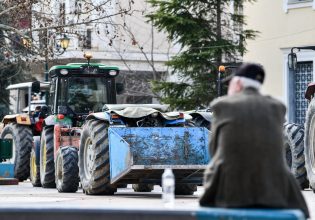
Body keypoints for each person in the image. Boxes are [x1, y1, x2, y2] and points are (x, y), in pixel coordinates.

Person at [199, 63, 309, 218]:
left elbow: (213, 150)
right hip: (274, 192)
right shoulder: (277, 107)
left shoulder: (222, 105)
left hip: (231, 194)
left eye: (230, 84)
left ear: (237, 83)